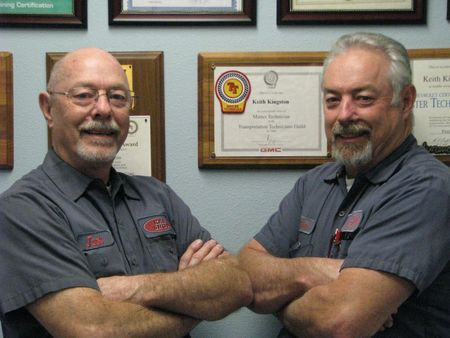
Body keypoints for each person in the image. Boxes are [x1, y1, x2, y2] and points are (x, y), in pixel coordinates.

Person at [0, 47, 252, 337]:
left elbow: (238, 283)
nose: (104, 109)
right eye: (83, 95)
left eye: (118, 97)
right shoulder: (21, 211)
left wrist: (129, 288)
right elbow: (94, 329)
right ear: (48, 109)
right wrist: (194, 302)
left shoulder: (157, 196)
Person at [239, 32, 450, 337]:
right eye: (333, 100)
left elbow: (339, 322)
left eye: (363, 98)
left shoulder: (426, 188)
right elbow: (244, 273)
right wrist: (321, 272)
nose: (344, 115)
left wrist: (279, 301)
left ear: (405, 101)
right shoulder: (313, 184)